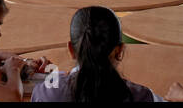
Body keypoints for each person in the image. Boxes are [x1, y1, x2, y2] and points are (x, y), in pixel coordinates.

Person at [31, 6, 161, 102]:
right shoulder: (142, 96)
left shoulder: (45, 93)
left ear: (71, 50)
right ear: (119, 50)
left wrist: (53, 77)